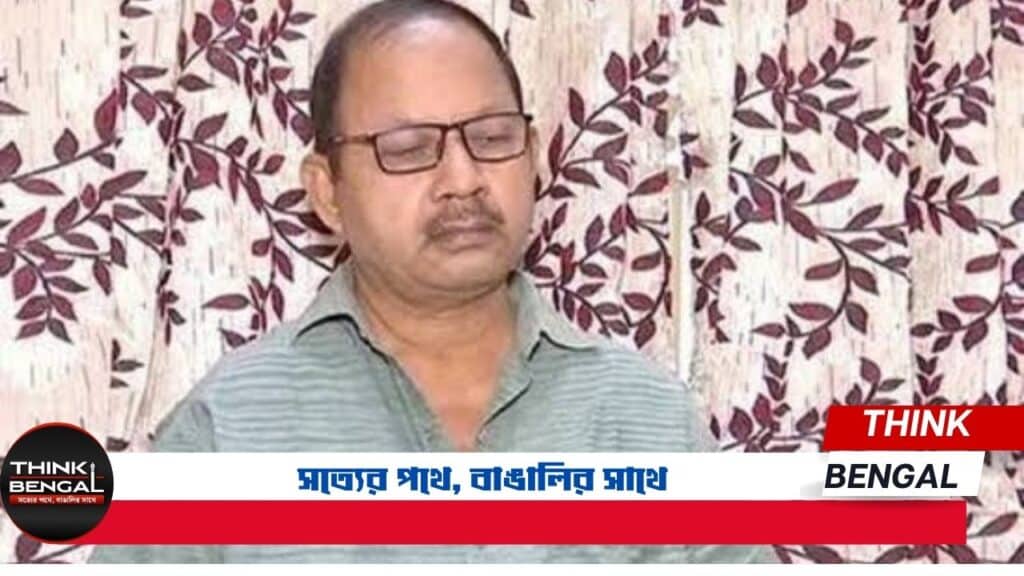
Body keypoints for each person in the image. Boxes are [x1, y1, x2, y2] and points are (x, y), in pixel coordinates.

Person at [92, 0, 772, 563]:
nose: (463, 180)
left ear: (533, 157)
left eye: (492, 138)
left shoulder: (648, 420)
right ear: (327, 192)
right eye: (410, 149)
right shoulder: (228, 431)